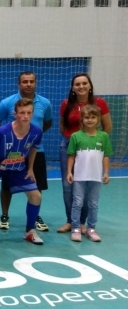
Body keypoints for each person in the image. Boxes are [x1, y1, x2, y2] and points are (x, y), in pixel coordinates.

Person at [0, 71, 52, 232]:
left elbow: (47, 123)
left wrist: (30, 139)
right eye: (25, 81)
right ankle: (5, 215)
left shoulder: (45, 103)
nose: (28, 84)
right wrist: (11, 139)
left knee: (35, 185)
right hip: (11, 152)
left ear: (35, 83)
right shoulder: (7, 102)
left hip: (35, 151)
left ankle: (35, 216)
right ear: (19, 84)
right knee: (6, 185)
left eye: (31, 81)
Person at [0, 99, 44, 247]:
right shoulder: (1, 132)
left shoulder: (36, 132)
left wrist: (30, 169)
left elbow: (34, 149)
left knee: (36, 196)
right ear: (15, 114)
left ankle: (29, 231)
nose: (25, 116)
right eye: (22, 113)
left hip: (18, 168)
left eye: (29, 113)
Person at [57, 73, 112, 233]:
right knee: (68, 185)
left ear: (90, 86)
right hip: (69, 145)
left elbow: (107, 127)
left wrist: (92, 140)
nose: (81, 86)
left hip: (91, 147)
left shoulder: (100, 103)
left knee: (87, 183)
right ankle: (70, 221)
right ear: (73, 88)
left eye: (84, 83)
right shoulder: (66, 104)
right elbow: (62, 127)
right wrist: (74, 139)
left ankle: (82, 222)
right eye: (77, 84)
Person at [66, 105, 112, 242]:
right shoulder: (75, 136)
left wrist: (106, 172)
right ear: (82, 120)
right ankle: (75, 228)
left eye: (93, 117)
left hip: (96, 177)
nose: (90, 120)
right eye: (87, 117)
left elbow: (106, 156)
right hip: (79, 176)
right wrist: (69, 172)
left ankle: (91, 228)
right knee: (77, 202)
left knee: (93, 204)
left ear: (98, 119)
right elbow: (71, 156)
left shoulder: (103, 136)